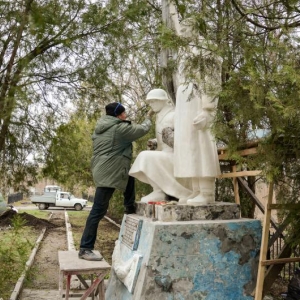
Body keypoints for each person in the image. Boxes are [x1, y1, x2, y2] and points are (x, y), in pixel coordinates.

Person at [79, 102, 153, 261]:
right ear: (118, 115)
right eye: (124, 113)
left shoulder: (103, 127)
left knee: (130, 175)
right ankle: (85, 248)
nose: (126, 115)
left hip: (106, 168)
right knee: (98, 210)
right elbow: (141, 130)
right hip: (108, 171)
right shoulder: (118, 129)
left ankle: (129, 206)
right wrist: (148, 118)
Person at [173, 18, 222, 205]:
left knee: (202, 144)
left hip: (198, 100)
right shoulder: (185, 50)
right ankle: (196, 190)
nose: (183, 31)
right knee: (189, 145)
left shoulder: (206, 48)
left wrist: (208, 109)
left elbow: (210, 79)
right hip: (185, 101)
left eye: (186, 27)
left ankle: (207, 192)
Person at [129, 89, 192, 202]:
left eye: (153, 101)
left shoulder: (174, 115)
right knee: (146, 156)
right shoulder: (159, 117)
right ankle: (159, 191)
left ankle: (160, 191)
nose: (151, 105)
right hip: (164, 153)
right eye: (150, 102)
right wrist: (155, 142)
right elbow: (162, 138)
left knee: (144, 156)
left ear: (162, 101)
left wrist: (171, 138)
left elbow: (185, 138)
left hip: (176, 156)